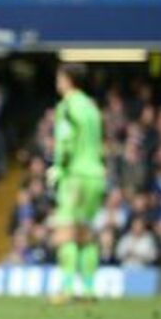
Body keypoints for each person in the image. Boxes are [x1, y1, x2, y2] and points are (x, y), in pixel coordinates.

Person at [48, 63, 106, 302]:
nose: (57, 82)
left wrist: (58, 168)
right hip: (96, 174)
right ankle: (89, 289)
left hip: (76, 175)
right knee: (87, 232)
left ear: (67, 80)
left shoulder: (67, 106)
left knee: (66, 232)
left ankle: (67, 288)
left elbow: (66, 141)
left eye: (59, 78)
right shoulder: (92, 107)